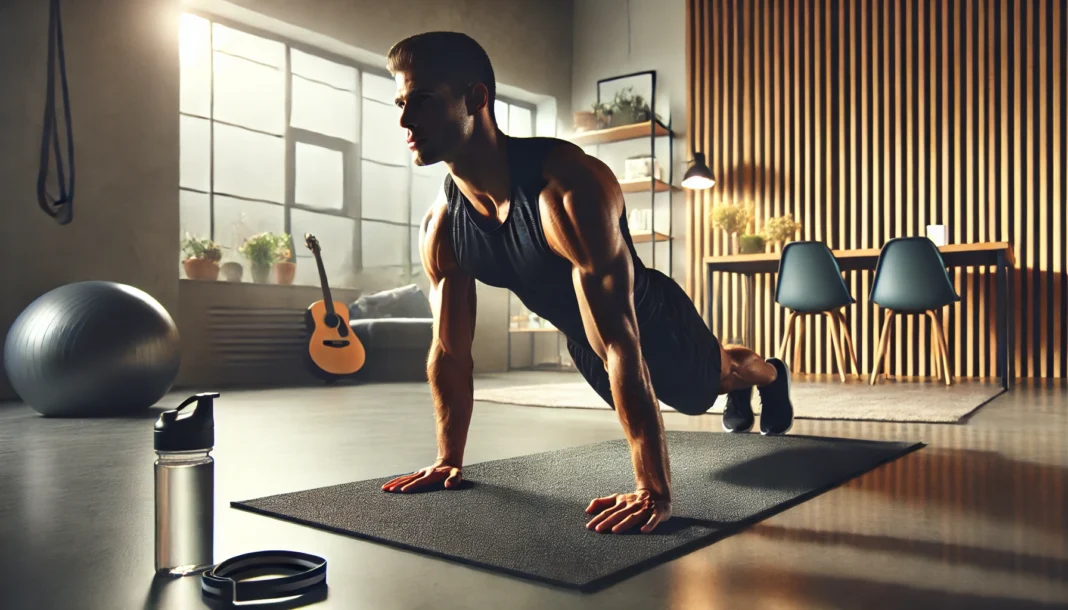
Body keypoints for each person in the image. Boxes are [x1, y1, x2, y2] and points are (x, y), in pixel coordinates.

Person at [379, 32, 795, 535]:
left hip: (650, 317)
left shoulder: (568, 189)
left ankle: (770, 375)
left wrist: (652, 489)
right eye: (400, 102)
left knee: (710, 384)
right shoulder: (443, 224)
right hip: (586, 339)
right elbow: (449, 350)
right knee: (641, 383)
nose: (404, 121)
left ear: (476, 99)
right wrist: (448, 459)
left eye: (421, 100)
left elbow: (622, 338)